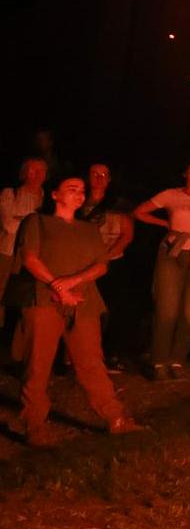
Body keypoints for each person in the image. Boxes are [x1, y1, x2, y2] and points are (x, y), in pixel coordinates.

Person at [13, 173, 144, 445]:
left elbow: (101, 265)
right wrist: (57, 286)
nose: (79, 193)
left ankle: (115, 418)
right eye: (72, 188)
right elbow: (30, 258)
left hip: (83, 302)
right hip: (44, 300)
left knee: (91, 363)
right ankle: (34, 424)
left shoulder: (88, 229)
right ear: (55, 195)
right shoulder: (37, 222)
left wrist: (72, 283)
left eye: (82, 190)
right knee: (38, 364)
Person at [133, 164, 190, 380]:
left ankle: (177, 359)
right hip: (173, 254)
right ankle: (159, 361)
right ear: (184, 174)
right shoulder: (170, 195)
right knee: (166, 309)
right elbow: (139, 212)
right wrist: (165, 223)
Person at [79, 163, 136, 369]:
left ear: (110, 179)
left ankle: (110, 352)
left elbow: (127, 235)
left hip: (113, 262)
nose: (99, 178)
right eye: (95, 174)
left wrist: (107, 257)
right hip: (83, 262)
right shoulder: (78, 201)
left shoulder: (119, 204)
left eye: (104, 174)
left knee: (113, 308)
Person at [1, 157, 48, 342]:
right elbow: (9, 225)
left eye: (41, 170)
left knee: (27, 297)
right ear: (24, 172)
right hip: (8, 252)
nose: (37, 174)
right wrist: (32, 222)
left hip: (35, 255)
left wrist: (21, 219)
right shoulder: (10, 193)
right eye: (32, 170)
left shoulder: (48, 198)